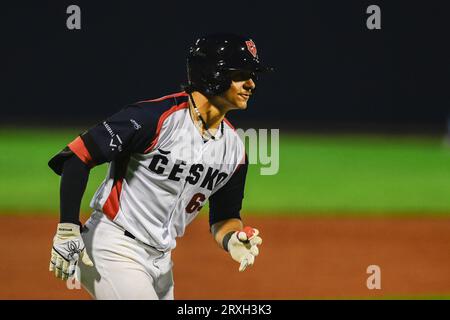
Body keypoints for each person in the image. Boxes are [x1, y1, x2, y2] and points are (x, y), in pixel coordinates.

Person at [48, 33, 272, 300]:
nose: (251, 84)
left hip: (161, 261)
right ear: (214, 73)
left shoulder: (234, 150)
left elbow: (225, 216)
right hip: (112, 247)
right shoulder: (153, 118)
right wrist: (67, 229)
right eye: (242, 74)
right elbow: (77, 156)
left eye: (253, 75)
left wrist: (232, 238)